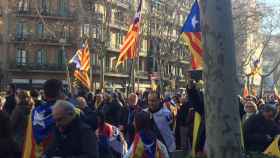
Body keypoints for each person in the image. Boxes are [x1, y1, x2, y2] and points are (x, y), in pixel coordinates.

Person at [22, 79, 64, 158]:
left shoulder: (34, 112)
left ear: (44, 94)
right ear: (60, 92)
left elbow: (29, 142)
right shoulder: (69, 112)